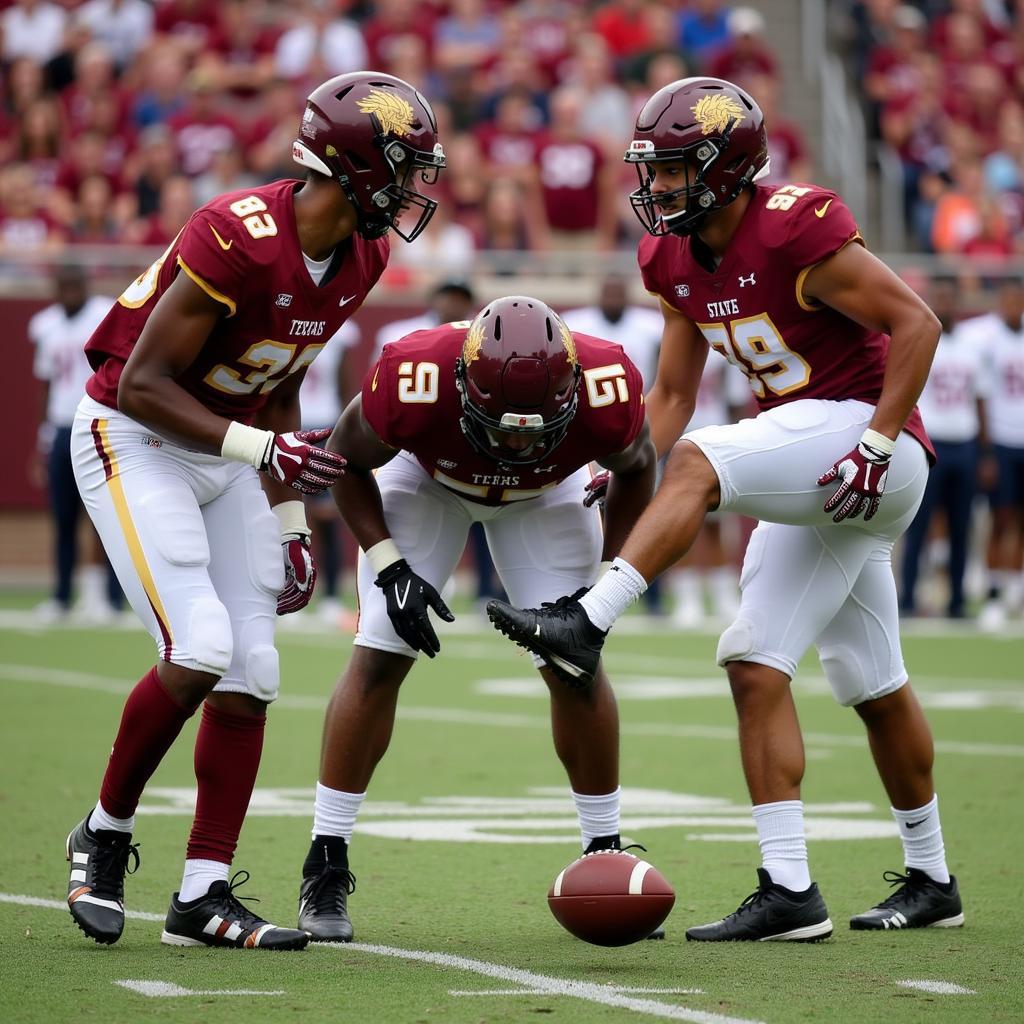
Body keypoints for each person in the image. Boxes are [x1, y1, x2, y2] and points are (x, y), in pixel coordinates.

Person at [488, 76, 963, 941]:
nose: (657, 187)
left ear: (726, 168)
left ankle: (586, 619)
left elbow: (917, 323)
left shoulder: (795, 224)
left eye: (672, 170)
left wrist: (882, 441)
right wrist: (624, 461)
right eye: (653, 170)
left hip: (866, 446)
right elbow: (671, 393)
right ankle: (893, 881)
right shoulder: (670, 257)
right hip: (817, 463)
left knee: (711, 455)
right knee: (813, 670)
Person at [64, 71, 445, 951]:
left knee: (255, 671)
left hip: (231, 448)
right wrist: (262, 456)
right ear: (350, 167)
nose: (415, 188)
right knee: (197, 647)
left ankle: (202, 893)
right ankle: (105, 830)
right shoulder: (239, 234)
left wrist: (287, 520)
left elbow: (281, 378)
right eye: (404, 167)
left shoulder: (362, 251)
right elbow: (142, 382)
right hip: (135, 434)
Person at [294, 295, 656, 943]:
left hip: (548, 495)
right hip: (428, 482)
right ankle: (325, 860)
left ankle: (605, 852)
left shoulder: (608, 384)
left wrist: (603, 583)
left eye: (534, 425)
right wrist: (389, 566)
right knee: (379, 649)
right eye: (503, 424)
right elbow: (343, 458)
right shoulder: (415, 374)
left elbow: (639, 468)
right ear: (463, 385)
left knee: (577, 662)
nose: (516, 441)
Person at [29, 263, 122, 623]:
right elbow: (46, 385)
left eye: (74, 285)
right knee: (63, 516)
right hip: (62, 428)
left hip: (98, 426)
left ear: (86, 284)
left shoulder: (103, 314)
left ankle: (110, 598)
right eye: (62, 286)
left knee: (105, 516)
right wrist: (43, 437)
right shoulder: (46, 324)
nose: (68, 292)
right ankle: (62, 595)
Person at [900, 277, 988, 619]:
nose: (946, 304)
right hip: (929, 442)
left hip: (964, 443)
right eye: (940, 297)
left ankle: (957, 600)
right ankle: (907, 597)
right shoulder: (920, 338)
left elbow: (980, 398)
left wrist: (986, 452)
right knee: (917, 523)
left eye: (951, 298)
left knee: (960, 525)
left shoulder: (973, 346)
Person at [959, 277, 1024, 630]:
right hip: (1002, 439)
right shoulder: (986, 340)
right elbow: (981, 394)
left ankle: (1015, 587)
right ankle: (996, 592)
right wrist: (986, 450)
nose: (1015, 306)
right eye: (1009, 299)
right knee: (1000, 518)